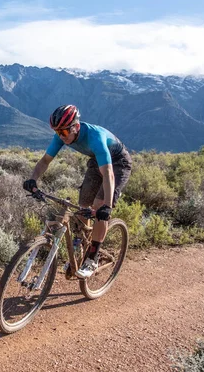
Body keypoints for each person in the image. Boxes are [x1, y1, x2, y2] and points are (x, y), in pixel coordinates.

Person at [23, 104, 132, 279]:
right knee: (83, 206)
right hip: (96, 161)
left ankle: (92, 258)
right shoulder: (62, 135)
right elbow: (44, 161)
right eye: (58, 132)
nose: (61, 136)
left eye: (64, 132)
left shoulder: (95, 137)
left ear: (76, 126)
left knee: (99, 206)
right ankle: (80, 246)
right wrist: (32, 179)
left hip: (118, 164)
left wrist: (107, 206)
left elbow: (109, 174)